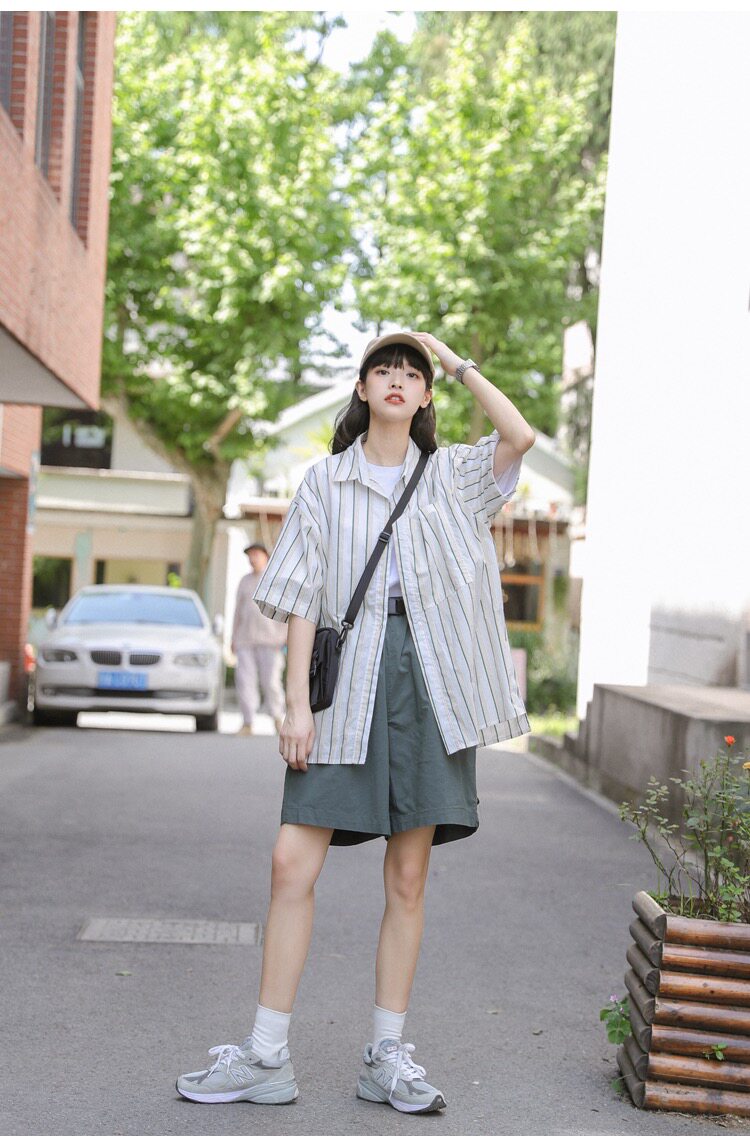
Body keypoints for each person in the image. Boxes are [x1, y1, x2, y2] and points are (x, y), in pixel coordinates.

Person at [176, 330, 534, 1114]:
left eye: (412, 372)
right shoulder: (325, 480)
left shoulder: (454, 474)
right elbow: (303, 595)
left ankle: (386, 1055)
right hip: (347, 675)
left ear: (426, 393)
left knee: (407, 875)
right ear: (364, 388)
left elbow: (520, 435)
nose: (399, 380)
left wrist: (456, 360)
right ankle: (266, 1054)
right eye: (384, 369)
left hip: (431, 675)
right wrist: (294, 704)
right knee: (290, 862)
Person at [231, 543, 287, 736]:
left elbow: (285, 611)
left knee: (271, 682)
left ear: (265, 556)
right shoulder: (244, 581)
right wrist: (233, 637)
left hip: (272, 640)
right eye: (250, 555)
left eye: (256, 554)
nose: (252, 558)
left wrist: (286, 637)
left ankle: (277, 718)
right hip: (245, 639)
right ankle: (247, 721)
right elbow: (238, 611)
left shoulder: (275, 580)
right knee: (245, 680)